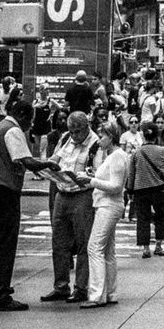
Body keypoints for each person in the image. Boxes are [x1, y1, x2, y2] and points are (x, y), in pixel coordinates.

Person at [0, 97, 49, 311]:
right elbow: (27, 161)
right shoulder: (13, 130)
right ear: (22, 116)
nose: (30, 126)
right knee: (5, 242)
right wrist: (49, 164)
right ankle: (1, 296)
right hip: (5, 188)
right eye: (30, 121)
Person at [40, 111, 99, 303]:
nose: (74, 135)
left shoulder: (95, 143)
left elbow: (98, 171)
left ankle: (81, 287)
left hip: (82, 194)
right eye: (72, 131)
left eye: (78, 131)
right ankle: (61, 286)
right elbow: (56, 157)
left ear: (86, 127)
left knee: (83, 241)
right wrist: (50, 166)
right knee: (59, 242)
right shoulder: (65, 138)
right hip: (62, 192)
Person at [84, 120, 130, 307]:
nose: (99, 140)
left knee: (94, 247)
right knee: (108, 250)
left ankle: (96, 295)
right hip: (108, 204)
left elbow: (116, 186)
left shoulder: (116, 156)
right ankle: (110, 292)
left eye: (102, 136)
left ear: (111, 137)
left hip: (108, 205)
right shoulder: (114, 155)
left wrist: (92, 181)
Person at [129, 121, 164, 256]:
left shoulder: (137, 152)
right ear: (157, 136)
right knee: (160, 216)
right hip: (159, 189)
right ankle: (159, 245)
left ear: (143, 136)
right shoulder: (163, 150)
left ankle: (145, 248)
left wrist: (130, 189)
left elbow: (131, 173)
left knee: (143, 218)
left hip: (140, 189)